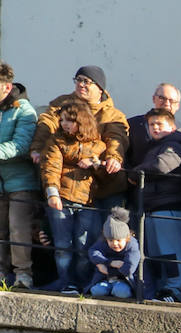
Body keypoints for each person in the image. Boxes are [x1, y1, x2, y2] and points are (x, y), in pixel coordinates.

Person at [39, 100, 104, 293]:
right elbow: (50, 168)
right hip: (63, 198)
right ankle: (66, 282)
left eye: (70, 120)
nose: (64, 124)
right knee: (62, 245)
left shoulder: (98, 145)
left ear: (82, 121)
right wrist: (52, 193)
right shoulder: (56, 141)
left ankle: (82, 283)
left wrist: (94, 163)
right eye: (63, 120)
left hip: (87, 202)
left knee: (84, 245)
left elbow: (107, 176)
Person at [129, 107, 181, 301]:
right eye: (151, 124)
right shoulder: (156, 146)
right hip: (153, 206)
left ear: (172, 127)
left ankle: (173, 291)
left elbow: (162, 165)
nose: (155, 128)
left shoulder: (174, 143)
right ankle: (163, 290)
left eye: (159, 124)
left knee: (170, 253)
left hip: (168, 205)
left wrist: (134, 173)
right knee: (157, 254)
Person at [0, 62, 38, 290]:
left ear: (7, 87)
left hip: (20, 182)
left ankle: (23, 275)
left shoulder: (23, 110)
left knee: (18, 229)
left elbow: (21, 145)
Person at [86, 206, 140, 299]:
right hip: (106, 279)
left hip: (125, 280)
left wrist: (106, 266)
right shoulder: (103, 242)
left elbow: (129, 269)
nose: (115, 243)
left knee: (121, 291)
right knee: (96, 290)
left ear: (126, 238)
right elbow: (93, 251)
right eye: (110, 240)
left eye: (118, 240)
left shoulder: (132, 245)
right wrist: (109, 262)